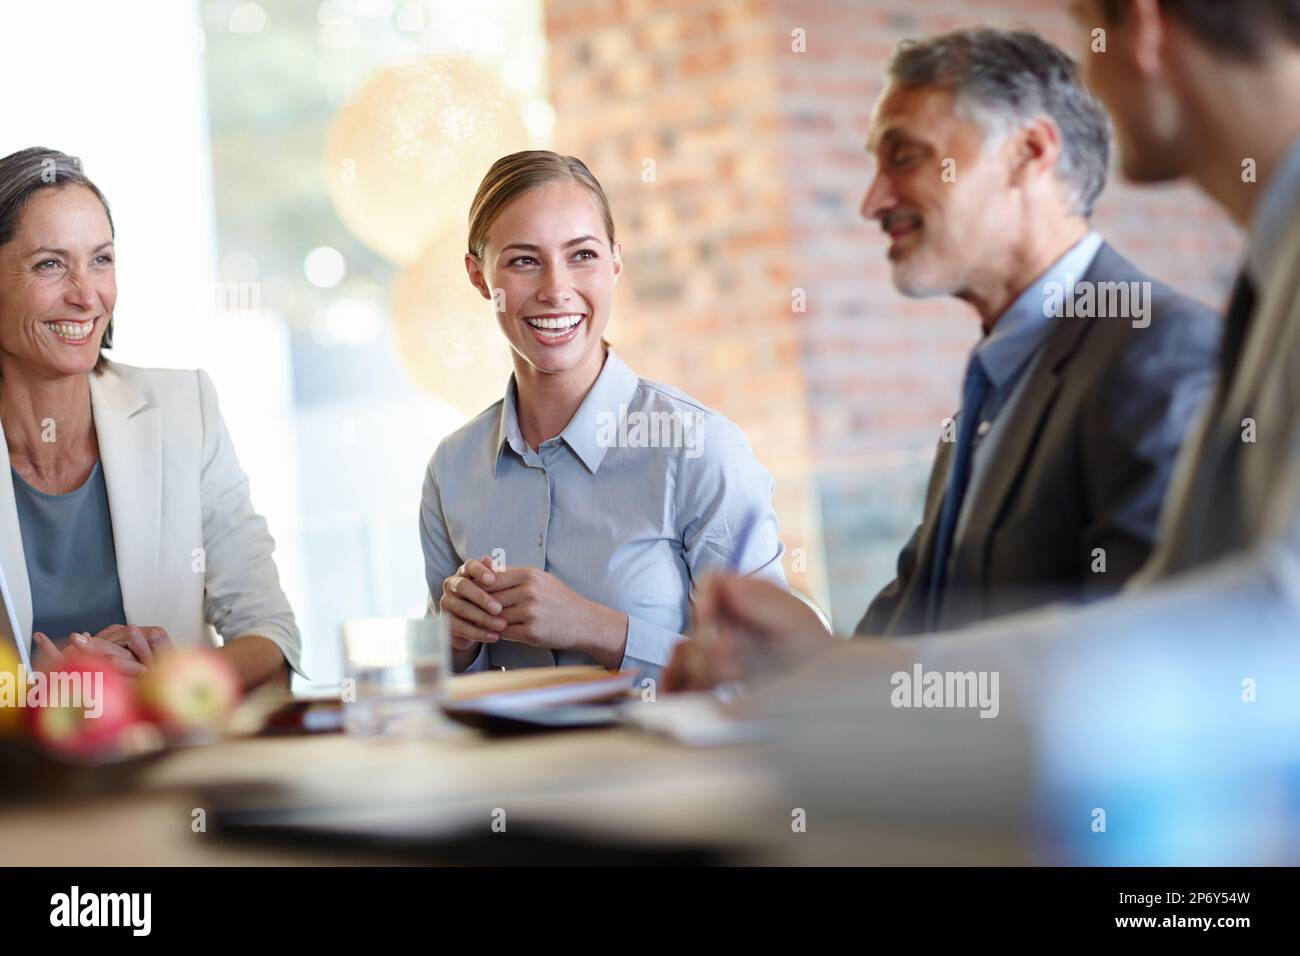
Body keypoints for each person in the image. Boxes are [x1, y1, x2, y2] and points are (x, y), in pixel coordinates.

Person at [669, 2, 1300, 698]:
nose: (873, 201)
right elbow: (914, 636)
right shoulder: (1000, 374)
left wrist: (845, 679)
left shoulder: (1159, 348)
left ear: (1030, 154)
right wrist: (807, 658)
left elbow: (1170, 644)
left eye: (906, 156)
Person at [420, 150, 785, 678]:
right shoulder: (451, 469)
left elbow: (772, 671)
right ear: (479, 277)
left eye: (582, 255)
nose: (554, 289)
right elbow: (434, 697)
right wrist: (452, 647)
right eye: (524, 260)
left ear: (615, 261)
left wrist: (596, 629)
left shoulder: (698, 448)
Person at [0, 147, 300, 689]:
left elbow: (271, 637)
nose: (86, 294)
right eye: (50, 264)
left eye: (101, 259)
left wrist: (173, 682)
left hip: (172, 764)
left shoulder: (185, 410)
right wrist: (27, 695)